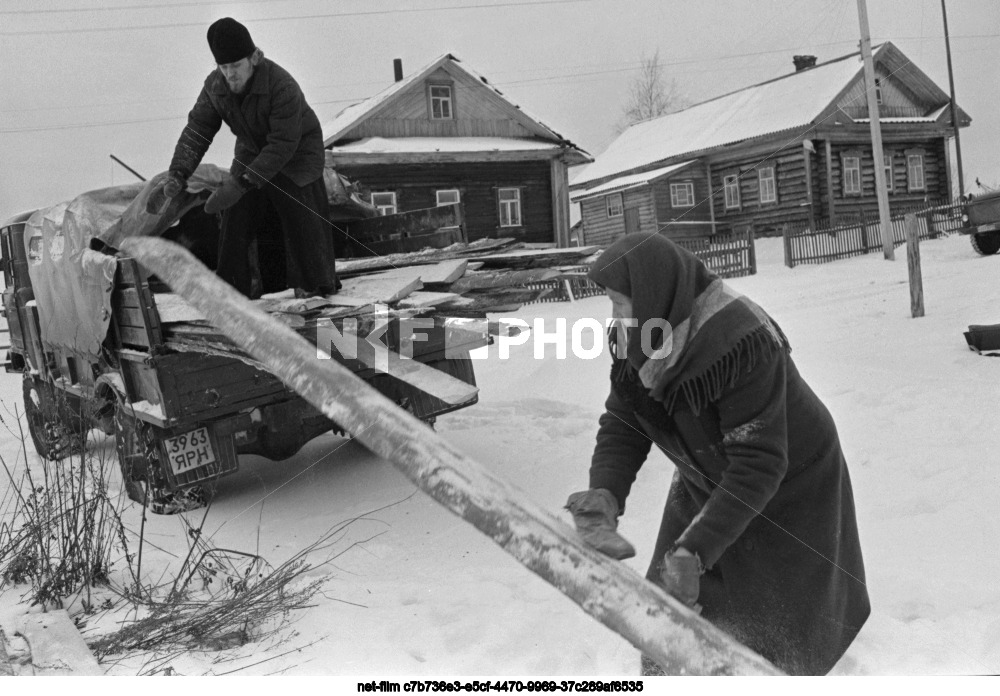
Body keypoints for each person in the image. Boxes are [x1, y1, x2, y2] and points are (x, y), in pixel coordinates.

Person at [565, 231, 870, 675]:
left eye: (620, 302)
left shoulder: (737, 342)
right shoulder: (643, 333)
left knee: (776, 625)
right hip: (705, 469)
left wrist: (696, 550)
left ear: (652, 294)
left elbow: (758, 463)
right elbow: (624, 420)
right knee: (665, 609)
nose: (614, 317)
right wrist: (605, 494)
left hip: (789, 480)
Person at [147, 17, 338, 299]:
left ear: (254, 58)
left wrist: (242, 183)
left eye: (236, 66)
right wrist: (177, 174)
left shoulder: (282, 86)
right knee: (237, 213)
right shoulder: (215, 87)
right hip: (251, 149)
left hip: (297, 153)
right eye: (224, 67)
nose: (230, 74)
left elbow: (283, 144)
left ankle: (316, 285)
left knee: (297, 207)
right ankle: (231, 291)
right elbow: (198, 131)